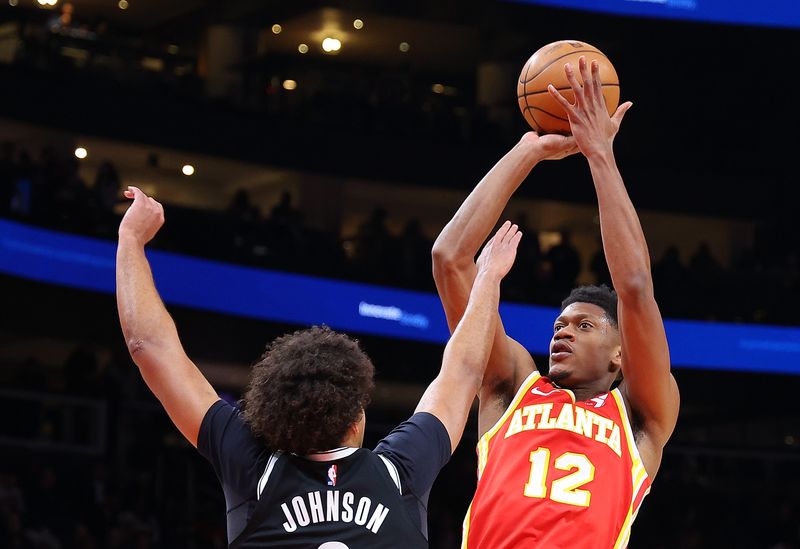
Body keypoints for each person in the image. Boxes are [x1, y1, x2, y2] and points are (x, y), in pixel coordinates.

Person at [115, 186, 523, 548]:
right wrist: (487, 278)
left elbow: (148, 345)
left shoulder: (252, 465)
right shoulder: (399, 471)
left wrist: (131, 239)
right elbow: (465, 368)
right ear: (355, 420)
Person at [432, 57, 679, 547]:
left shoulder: (641, 416)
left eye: (584, 326)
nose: (562, 331)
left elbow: (634, 288)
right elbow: (450, 258)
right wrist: (527, 152)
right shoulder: (511, 386)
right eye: (560, 325)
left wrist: (600, 156)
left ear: (620, 354)